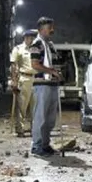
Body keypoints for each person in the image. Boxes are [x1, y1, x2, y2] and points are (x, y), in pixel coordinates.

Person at [29, 17, 61, 157]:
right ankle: (36, 146)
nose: (52, 30)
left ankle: (45, 144)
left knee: (50, 118)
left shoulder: (50, 45)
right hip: (42, 84)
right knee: (40, 116)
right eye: (49, 28)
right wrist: (51, 71)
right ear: (41, 29)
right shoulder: (36, 44)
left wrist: (57, 73)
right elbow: (35, 65)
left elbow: (54, 63)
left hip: (52, 84)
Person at [10, 29, 38, 137]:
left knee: (35, 106)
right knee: (22, 105)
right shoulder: (18, 49)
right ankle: (20, 128)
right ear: (25, 38)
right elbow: (13, 65)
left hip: (35, 79)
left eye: (33, 38)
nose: (32, 40)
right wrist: (14, 80)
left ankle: (34, 128)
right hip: (24, 78)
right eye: (30, 37)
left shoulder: (36, 49)